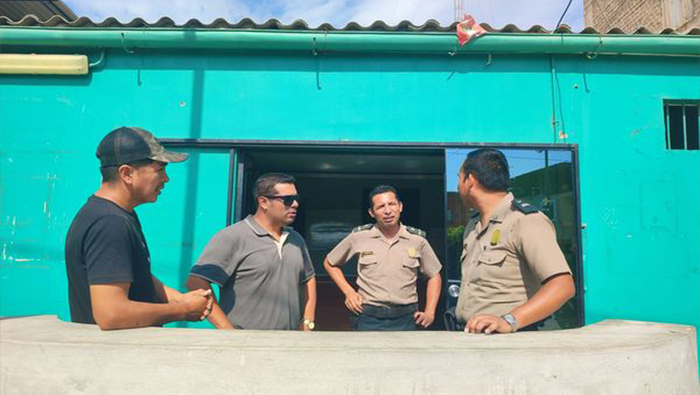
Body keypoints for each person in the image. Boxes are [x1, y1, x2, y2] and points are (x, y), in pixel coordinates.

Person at [65, 126, 213, 330]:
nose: (166, 178)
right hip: (113, 357)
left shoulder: (118, 215)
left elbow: (133, 274)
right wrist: (182, 310)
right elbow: (111, 314)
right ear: (126, 173)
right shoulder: (109, 223)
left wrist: (179, 299)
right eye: (159, 169)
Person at [455, 148, 575, 334]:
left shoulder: (525, 221)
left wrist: (509, 320)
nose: (457, 186)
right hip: (473, 338)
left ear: (469, 180)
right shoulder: (473, 226)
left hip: (510, 342)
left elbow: (563, 286)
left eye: (458, 177)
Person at [186, 173, 317, 330]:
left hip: (289, 343)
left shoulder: (296, 240)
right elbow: (196, 282)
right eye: (288, 200)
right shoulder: (234, 236)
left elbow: (308, 279)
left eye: (296, 198)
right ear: (263, 202)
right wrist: (228, 331)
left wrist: (308, 321)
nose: (295, 204)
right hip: (246, 347)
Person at [324, 185, 442, 331]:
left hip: (406, 318)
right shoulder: (359, 237)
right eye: (380, 207)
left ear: (400, 206)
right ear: (372, 212)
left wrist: (430, 312)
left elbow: (434, 275)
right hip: (368, 317)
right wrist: (349, 292)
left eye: (392, 204)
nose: (387, 211)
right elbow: (330, 263)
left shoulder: (417, 240)